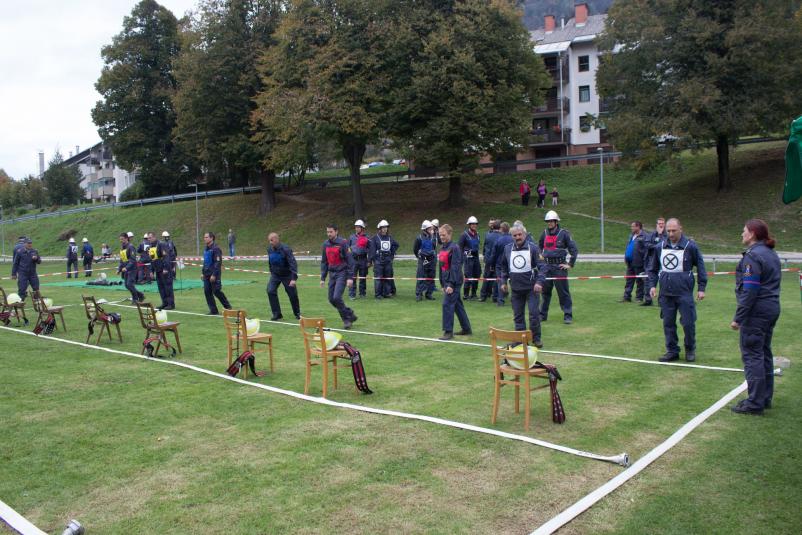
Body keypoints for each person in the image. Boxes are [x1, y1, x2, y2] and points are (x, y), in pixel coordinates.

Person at [730, 219, 781, 415]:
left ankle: (755, 402)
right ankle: (764, 397)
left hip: (757, 312)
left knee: (752, 355)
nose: (741, 234)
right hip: (771, 308)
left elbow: (750, 290)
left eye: (744, 231)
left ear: (752, 234)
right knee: (764, 353)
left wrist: (738, 318)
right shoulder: (771, 253)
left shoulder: (753, 257)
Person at [647, 218, 707, 362]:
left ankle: (690, 348)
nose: (671, 233)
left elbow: (701, 267)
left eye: (674, 230)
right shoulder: (659, 247)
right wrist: (653, 285)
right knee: (668, 323)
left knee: (688, 323)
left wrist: (701, 288)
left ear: (681, 229)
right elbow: (653, 268)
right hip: (666, 293)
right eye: (668, 231)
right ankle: (672, 350)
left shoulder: (690, 247)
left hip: (684, 293)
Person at [498, 224, 547, 347]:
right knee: (518, 316)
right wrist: (503, 282)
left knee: (534, 314)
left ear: (524, 235)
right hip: (516, 289)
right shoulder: (507, 249)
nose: (517, 237)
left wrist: (539, 282)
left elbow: (543, 267)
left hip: (532, 289)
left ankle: (536, 339)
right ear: (512, 236)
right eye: (515, 235)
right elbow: (503, 267)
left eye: (520, 235)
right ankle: (521, 340)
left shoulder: (533, 248)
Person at [538, 211, 579, 324]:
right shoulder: (544, 233)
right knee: (545, 293)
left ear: (556, 221)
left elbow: (574, 250)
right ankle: (542, 315)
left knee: (563, 293)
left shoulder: (564, 233)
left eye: (551, 221)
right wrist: (540, 254)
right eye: (548, 221)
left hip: (559, 267)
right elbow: (539, 246)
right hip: (546, 267)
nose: (549, 223)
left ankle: (568, 315)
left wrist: (570, 264)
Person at [437, 224, 472, 340]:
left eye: (444, 235)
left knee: (447, 304)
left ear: (450, 234)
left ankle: (448, 332)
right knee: (457, 305)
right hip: (446, 280)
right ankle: (466, 328)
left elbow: (456, 267)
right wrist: (442, 283)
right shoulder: (442, 248)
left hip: (454, 281)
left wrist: (451, 284)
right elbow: (441, 267)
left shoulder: (455, 248)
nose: (441, 237)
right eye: (440, 235)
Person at [320, 224, 358, 329]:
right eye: (327, 232)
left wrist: (350, 277)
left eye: (331, 232)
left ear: (336, 232)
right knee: (331, 299)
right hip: (332, 274)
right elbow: (324, 262)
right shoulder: (325, 244)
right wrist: (323, 278)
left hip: (342, 273)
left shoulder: (343, 243)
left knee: (337, 297)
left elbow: (350, 261)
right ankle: (350, 313)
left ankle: (346, 320)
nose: (329, 234)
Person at [267, 232, 301, 320]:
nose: (270, 242)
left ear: (277, 240)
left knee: (292, 294)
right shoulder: (269, 249)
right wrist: (271, 271)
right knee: (270, 291)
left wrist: (293, 278)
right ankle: (276, 314)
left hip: (287, 275)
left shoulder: (286, 249)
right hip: (275, 275)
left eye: (272, 240)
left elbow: (292, 263)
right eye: (269, 240)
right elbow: (270, 261)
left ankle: (297, 313)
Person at [201, 231, 232, 315]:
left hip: (214, 274)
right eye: (204, 237)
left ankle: (228, 307)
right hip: (206, 274)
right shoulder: (206, 249)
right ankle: (213, 310)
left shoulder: (216, 248)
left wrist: (214, 274)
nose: (205, 239)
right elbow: (205, 262)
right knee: (207, 291)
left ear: (211, 238)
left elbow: (218, 263)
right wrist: (202, 273)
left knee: (216, 291)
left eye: (206, 237)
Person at [369, 220, 399, 299]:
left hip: (388, 261)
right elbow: (371, 250)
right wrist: (371, 260)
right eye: (383, 227)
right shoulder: (375, 238)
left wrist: (392, 254)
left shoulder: (390, 238)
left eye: (386, 227)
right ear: (380, 228)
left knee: (387, 277)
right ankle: (378, 294)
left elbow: (396, 245)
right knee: (378, 278)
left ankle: (386, 293)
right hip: (378, 261)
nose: (385, 229)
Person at [641, 217, 667, 306]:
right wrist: (656, 246)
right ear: (656, 225)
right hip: (651, 261)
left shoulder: (667, 235)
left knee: (663, 281)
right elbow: (646, 244)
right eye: (659, 223)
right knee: (649, 280)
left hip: (663, 262)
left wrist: (660, 235)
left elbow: (666, 244)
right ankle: (648, 300)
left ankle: (661, 301)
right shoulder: (651, 235)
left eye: (662, 223)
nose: (661, 225)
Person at [621, 221, 647, 302]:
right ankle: (626, 297)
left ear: (638, 227)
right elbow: (628, 246)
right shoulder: (631, 236)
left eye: (633, 226)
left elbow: (646, 250)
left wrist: (644, 260)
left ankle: (639, 297)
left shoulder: (644, 236)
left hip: (639, 262)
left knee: (639, 281)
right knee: (629, 280)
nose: (631, 228)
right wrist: (626, 256)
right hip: (630, 262)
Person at [459, 216, 482, 300]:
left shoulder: (478, 235)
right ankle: (465, 294)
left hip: (476, 258)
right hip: (468, 259)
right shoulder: (464, 235)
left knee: (477, 274)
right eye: (472, 224)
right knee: (468, 276)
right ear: (469, 225)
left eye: (475, 224)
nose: (474, 225)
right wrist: (462, 258)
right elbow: (460, 248)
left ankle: (474, 294)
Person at [413, 220, 437, 301]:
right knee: (421, 276)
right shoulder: (419, 238)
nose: (431, 230)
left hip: (432, 260)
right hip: (422, 259)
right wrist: (419, 256)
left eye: (431, 229)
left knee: (431, 277)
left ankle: (429, 294)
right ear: (425, 229)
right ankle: (419, 294)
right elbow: (415, 249)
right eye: (430, 229)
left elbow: (434, 248)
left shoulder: (433, 237)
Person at [11, 237, 41, 301]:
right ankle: (20, 302)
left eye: (31, 243)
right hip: (23, 273)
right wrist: (13, 274)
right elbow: (15, 263)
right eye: (28, 243)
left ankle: (37, 302)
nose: (30, 244)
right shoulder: (19, 252)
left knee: (36, 288)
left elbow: (39, 261)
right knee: (22, 288)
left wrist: (36, 259)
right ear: (24, 244)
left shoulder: (34, 251)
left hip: (32, 273)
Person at [491, 222, 513, 306]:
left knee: (500, 281)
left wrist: (492, 265)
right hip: (511, 264)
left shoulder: (498, 240)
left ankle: (500, 301)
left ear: (501, 229)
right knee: (512, 281)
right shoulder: (512, 239)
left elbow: (494, 254)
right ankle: (514, 299)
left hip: (500, 264)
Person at [118, 233, 144, 303]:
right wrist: (119, 269)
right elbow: (122, 259)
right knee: (127, 285)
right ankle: (140, 295)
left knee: (130, 284)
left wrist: (126, 267)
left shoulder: (131, 247)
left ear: (126, 238)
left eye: (122, 239)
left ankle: (135, 299)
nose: (121, 241)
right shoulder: (122, 247)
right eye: (120, 239)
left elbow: (133, 260)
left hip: (132, 269)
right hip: (126, 269)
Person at [348, 220, 370, 300]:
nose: (356, 228)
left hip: (363, 259)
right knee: (352, 277)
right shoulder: (351, 237)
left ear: (362, 228)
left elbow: (369, 249)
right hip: (353, 260)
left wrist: (369, 261)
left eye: (358, 227)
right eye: (356, 227)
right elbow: (348, 248)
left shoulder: (366, 237)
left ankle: (362, 293)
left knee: (362, 278)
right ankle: (352, 294)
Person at [153, 232, 175, 310]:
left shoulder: (161, 244)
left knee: (167, 287)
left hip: (164, 269)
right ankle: (164, 303)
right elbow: (153, 259)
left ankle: (170, 304)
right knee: (161, 288)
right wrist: (152, 271)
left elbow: (166, 256)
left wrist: (166, 268)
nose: (149, 239)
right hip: (158, 269)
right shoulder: (151, 246)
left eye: (150, 237)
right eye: (148, 238)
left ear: (154, 237)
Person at [479, 219, 500, 302]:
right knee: (496, 278)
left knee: (486, 278)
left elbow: (485, 247)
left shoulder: (488, 235)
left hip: (488, 259)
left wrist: (485, 257)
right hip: (497, 260)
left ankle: (483, 295)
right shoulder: (500, 236)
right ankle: (495, 297)